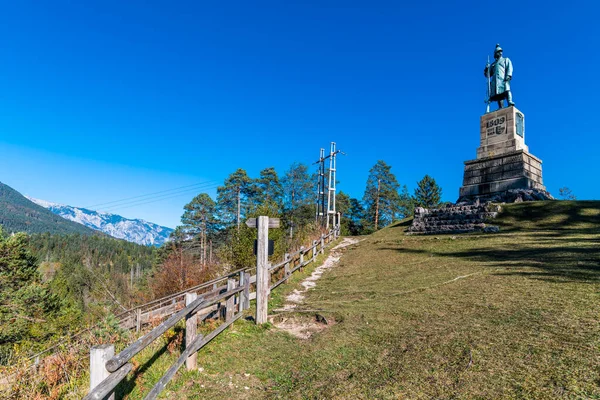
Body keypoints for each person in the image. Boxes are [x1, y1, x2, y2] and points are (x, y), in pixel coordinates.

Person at [484, 44, 514, 109]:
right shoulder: (493, 65)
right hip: (495, 81)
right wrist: (486, 69)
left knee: (507, 90)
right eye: (498, 52)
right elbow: (488, 75)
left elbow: (509, 67)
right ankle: (501, 107)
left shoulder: (505, 60)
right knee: (498, 93)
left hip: (503, 78)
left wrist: (508, 75)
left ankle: (510, 101)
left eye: (500, 51)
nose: (500, 53)